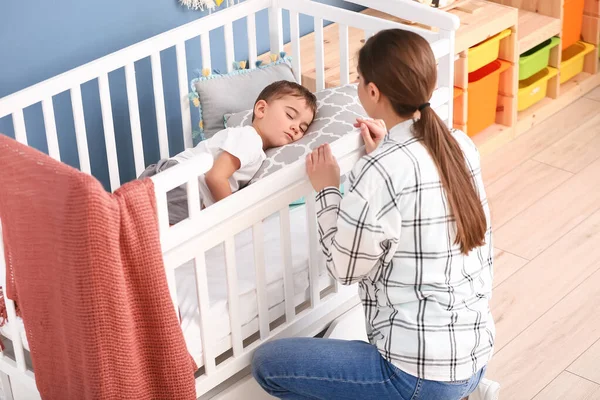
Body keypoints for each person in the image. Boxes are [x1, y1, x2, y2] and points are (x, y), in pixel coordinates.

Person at [251, 29, 499, 400]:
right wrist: (383, 154)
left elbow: (344, 268)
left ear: (372, 92)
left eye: (359, 79)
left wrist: (328, 189)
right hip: (473, 356)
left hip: (416, 375)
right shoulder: (459, 144)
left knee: (268, 364)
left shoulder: (381, 170)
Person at [139, 80, 317, 224]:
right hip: (178, 183)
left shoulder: (255, 148)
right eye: (290, 116)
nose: (295, 128)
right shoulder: (250, 138)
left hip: (176, 184)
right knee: (162, 243)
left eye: (302, 128)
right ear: (261, 110)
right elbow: (215, 177)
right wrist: (236, 218)